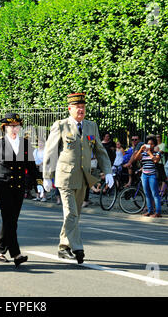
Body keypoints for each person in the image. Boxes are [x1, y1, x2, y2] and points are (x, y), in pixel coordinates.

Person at [42, 93, 113, 264]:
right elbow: (50, 152)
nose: (81, 110)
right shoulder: (60, 126)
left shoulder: (91, 126)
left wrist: (108, 171)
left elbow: (100, 151)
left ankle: (63, 247)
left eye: (83, 107)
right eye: (77, 107)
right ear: (70, 108)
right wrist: (46, 176)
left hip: (83, 178)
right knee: (71, 213)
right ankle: (77, 247)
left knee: (75, 215)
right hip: (65, 177)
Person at [0, 113, 42, 267]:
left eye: (17, 126)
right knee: (9, 219)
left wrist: (39, 183)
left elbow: (31, 165)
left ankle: (0, 250)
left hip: (19, 186)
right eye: (11, 126)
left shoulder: (25, 143)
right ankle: (16, 254)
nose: (14, 129)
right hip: (3, 185)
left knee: (11, 220)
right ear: (4, 128)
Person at [133, 136, 162, 217]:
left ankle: (158, 212)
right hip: (144, 175)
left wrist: (149, 152)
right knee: (147, 194)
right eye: (148, 144)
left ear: (154, 145)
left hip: (152, 175)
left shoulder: (157, 153)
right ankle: (150, 211)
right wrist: (140, 149)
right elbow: (136, 158)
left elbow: (156, 160)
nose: (150, 145)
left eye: (152, 144)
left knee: (155, 194)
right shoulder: (143, 153)